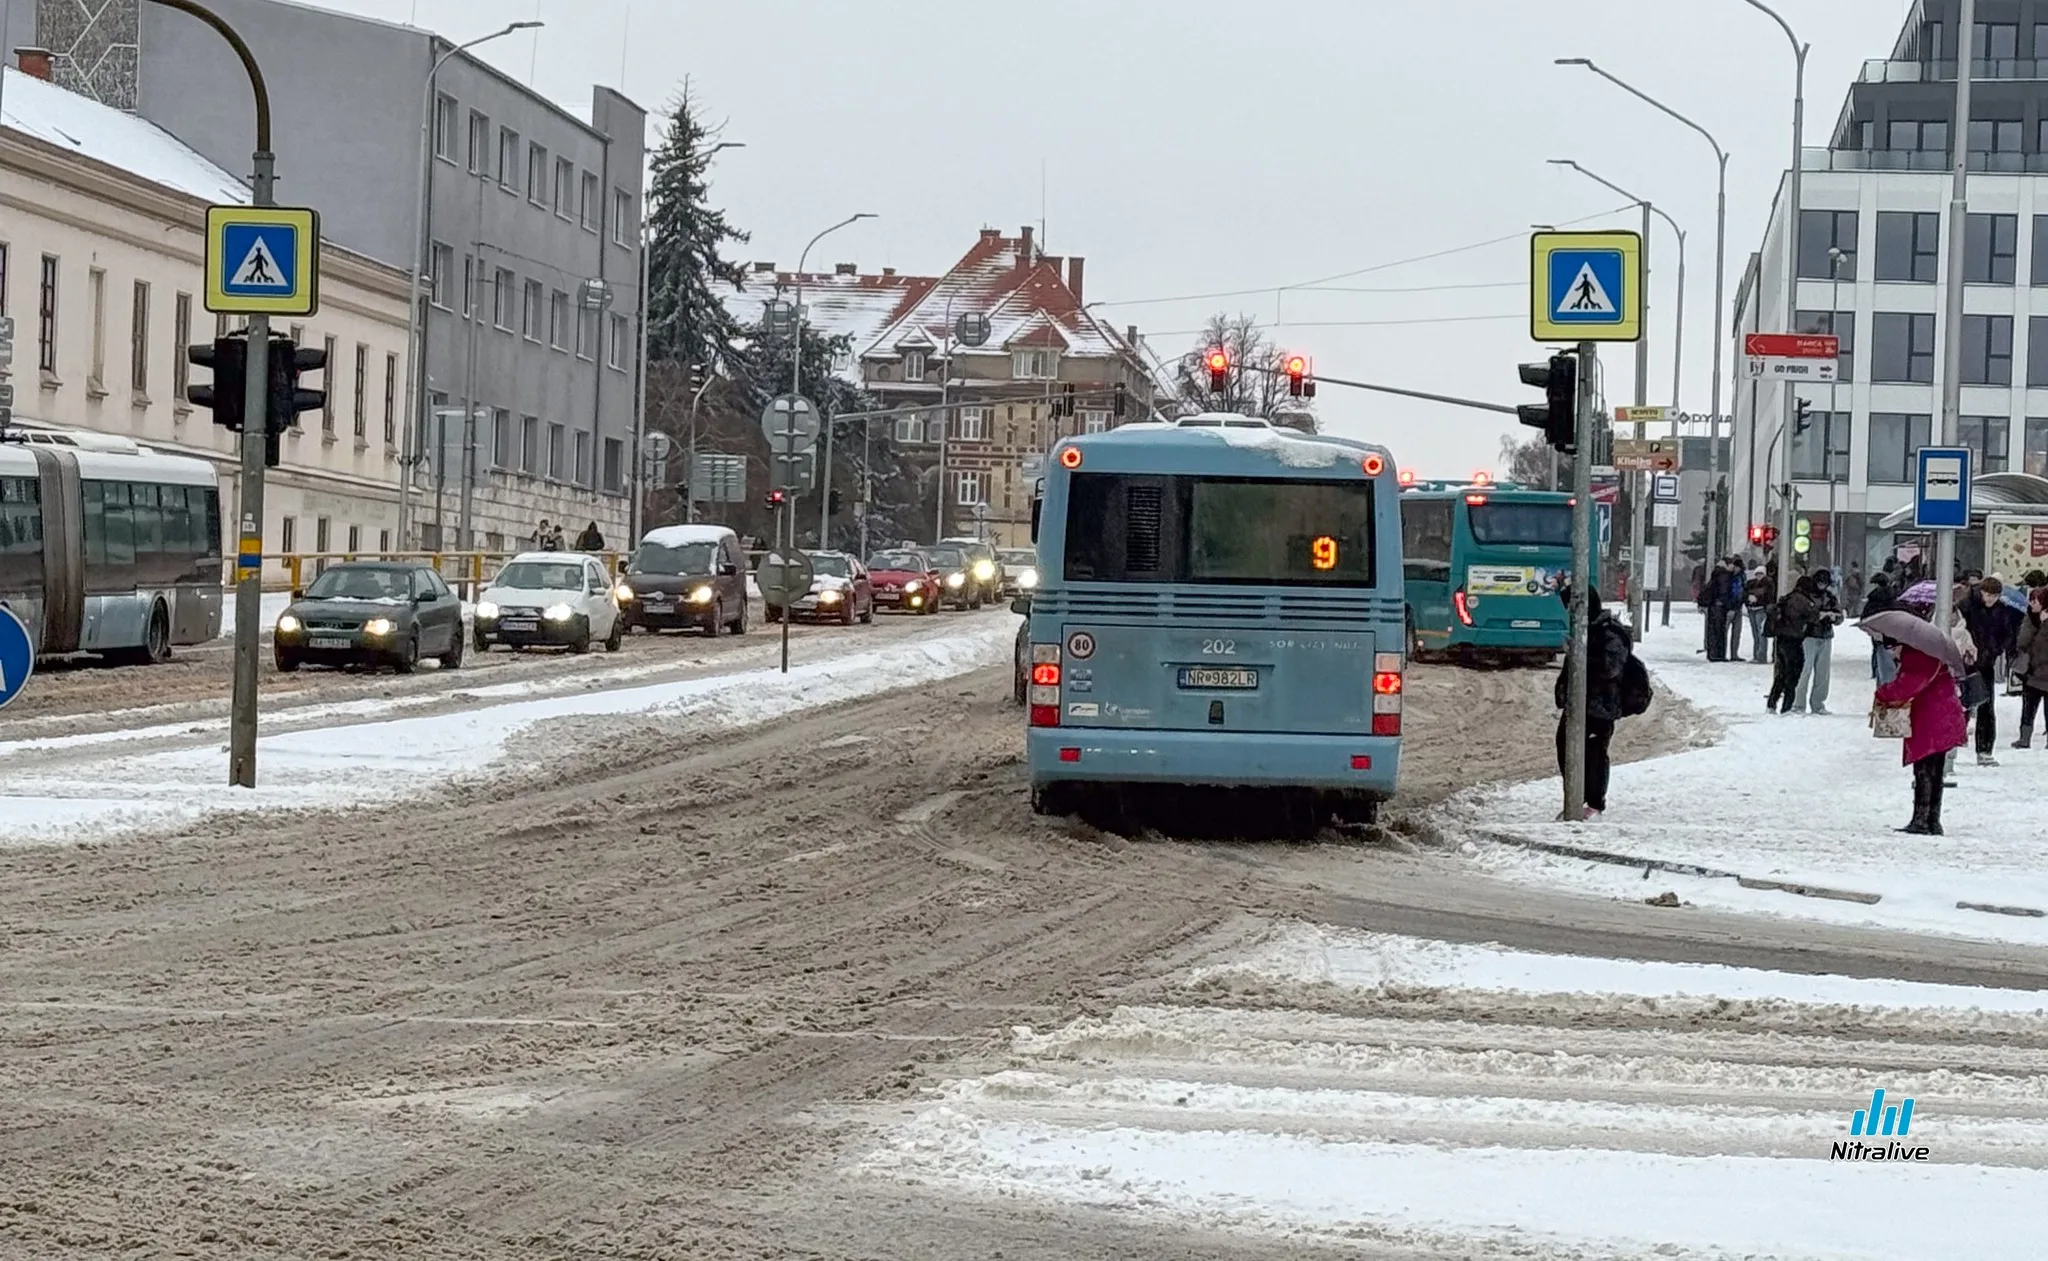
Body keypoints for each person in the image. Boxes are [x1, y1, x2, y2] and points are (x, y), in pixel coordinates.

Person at [1552, 585, 1637, 821]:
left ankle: (1594, 803)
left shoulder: (1609, 633)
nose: (1568, 612)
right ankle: (1576, 797)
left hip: (1600, 705)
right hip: (1578, 703)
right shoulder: (1586, 629)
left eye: (1571, 606)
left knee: (1594, 753)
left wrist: (1580, 652)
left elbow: (1609, 668)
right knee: (1566, 747)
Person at [1873, 638, 1968, 835]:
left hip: (1932, 718)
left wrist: (1883, 692)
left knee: (1925, 769)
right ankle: (1932, 819)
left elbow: (1909, 685)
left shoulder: (1918, 656)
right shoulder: (1925, 651)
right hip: (1941, 716)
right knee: (1935, 769)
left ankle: (1922, 820)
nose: (1891, 654)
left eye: (1892, 648)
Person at [1961, 576, 2023, 765]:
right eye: (1987, 594)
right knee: (1959, 705)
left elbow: (2008, 635)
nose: (1989, 599)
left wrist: (1997, 650)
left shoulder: (2002, 612)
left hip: (1987, 663)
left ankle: (1985, 749)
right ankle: (1951, 745)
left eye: (1994, 596)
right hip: (1965, 662)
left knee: (1986, 707)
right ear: (1981, 592)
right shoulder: (1967, 607)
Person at [1792, 568, 1845, 714]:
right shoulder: (1805, 596)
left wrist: (1835, 617)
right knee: (1805, 670)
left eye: (1825, 582)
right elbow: (1800, 615)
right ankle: (1798, 703)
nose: (1822, 584)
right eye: (1819, 581)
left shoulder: (1830, 596)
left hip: (1826, 635)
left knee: (1823, 673)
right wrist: (1817, 616)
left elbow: (1840, 615)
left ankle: (1818, 704)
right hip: (1808, 636)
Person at [1765, 575, 1818, 714]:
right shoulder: (1802, 600)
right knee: (1793, 674)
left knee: (1781, 674)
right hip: (1793, 640)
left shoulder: (1788, 597)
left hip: (1781, 638)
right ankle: (1787, 706)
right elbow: (1813, 616)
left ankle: (1772, 703)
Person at [2013, 586, 2048, 748]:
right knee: (2028, 707)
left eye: (2036, 601)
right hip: (2032, 671)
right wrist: (2036, 624)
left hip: (2045, 671)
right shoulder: (2030, 617)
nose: (2032, 604)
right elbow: (2023, 642)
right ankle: (2024, 737)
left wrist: (2044, 625)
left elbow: (2042, 646)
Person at [1863, 572, 1898, 685]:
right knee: (1890, 670)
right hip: (1894, 637)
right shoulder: (1894, 599)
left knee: (1883, 671)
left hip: (1880, 639)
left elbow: (1865, 618)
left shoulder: (1873, 600)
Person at [1698, 558, 1732, 661]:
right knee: (1719, 631)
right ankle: (1718, 654)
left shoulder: (1715, 574)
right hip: (1719, 607)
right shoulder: (1724, 575)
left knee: (1712, 631)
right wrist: (1727, 604)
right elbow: (1724, 591)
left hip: (1712, 606)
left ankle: (1712, 653)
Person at [1743, 565, 1772, 664]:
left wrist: (1756, 599)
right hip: (1752, 610)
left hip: (1761, 610)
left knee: (1761, 634)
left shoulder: (1768, 584)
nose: (1759, 576)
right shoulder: (1751, 583)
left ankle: (1761, 656)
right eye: (1757, 574)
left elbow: (1768, 596)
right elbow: (1744, 593)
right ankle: (1756, 655)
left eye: (1761, 574)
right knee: (1755, 634)